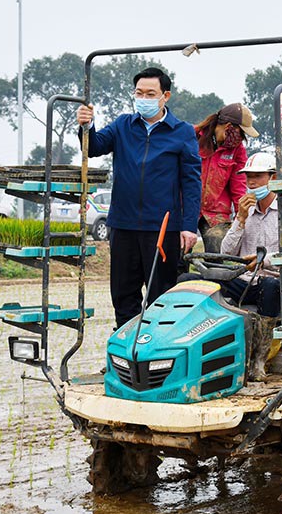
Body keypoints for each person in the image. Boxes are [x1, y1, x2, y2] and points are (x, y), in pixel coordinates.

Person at [76, 67, 201, 329]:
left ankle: (156, 360)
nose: (143, 98)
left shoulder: (182, 132)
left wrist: (189, 226)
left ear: (165, 96)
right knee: (123, 295)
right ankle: (125, 357)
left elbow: (191, 182)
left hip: (163, 228)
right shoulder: (123, 125)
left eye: (150, 93)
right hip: (123, 224)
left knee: (161, 296)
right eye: (139, 92)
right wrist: (87, 125)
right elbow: (96, 146)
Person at [217, 152, 282, 317]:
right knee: (194, 280)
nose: (251, 182)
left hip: (280, 282)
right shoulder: (246, 210)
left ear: (273, 177)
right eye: (248, 177)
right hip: (246, 281)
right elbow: (226, 253)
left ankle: (265, 340)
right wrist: (240, 219)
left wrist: (264, 260)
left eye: (258, 176)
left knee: (270, 286)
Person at [195, 103, 258, 253]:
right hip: (186, 208)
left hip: (216, 213)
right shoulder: (192, 136)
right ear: (229, 126)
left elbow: (239, 186)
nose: (242, 138)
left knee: (218, 256)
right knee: (177, 256)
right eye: (241, 133)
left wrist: (241, 217)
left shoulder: (238, 151)